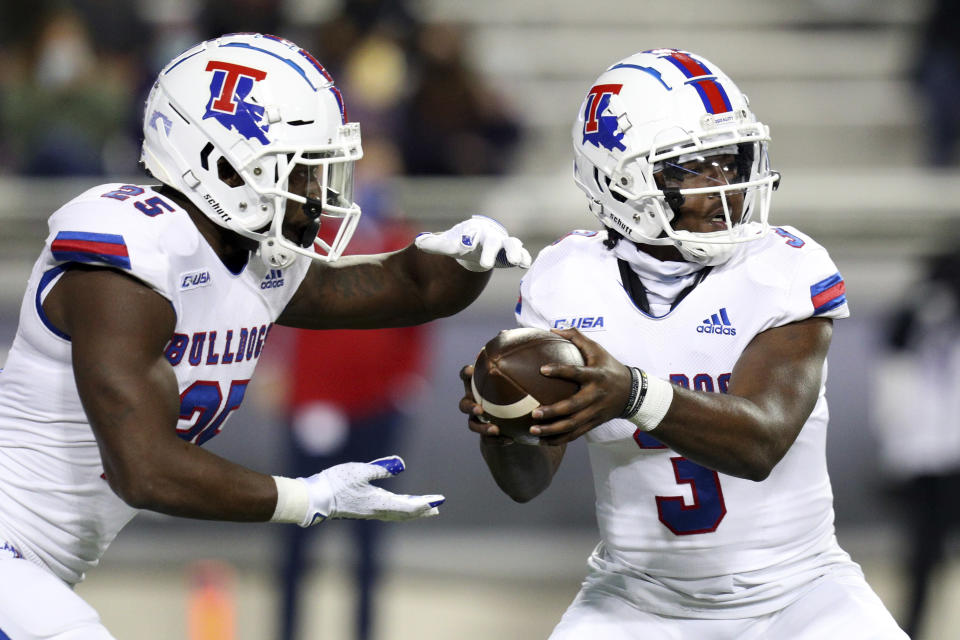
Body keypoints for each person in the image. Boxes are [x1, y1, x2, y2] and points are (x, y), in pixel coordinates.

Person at [0, 33, 531, 639]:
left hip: (35, 563)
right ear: (217, 163)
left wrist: (464, 256)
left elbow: (409, 289)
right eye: (299, 171)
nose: (317, 195)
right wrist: (306, 499)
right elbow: (145, 470)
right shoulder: (125, 252)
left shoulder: (249, 260)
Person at [459, 48, 907, 639]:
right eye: (694, 168)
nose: (726, 184)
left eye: (730, 160)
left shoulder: (781, 267)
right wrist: (504, 424)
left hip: (800, 594)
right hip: (636, 600)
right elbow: (525, 483)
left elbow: (761, 440)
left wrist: (634, 394)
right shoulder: (566, 277)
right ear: (617, 180)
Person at [873, 244, 960, 638]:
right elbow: (894, 388)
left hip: (937, 450)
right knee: (923, 557)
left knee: (923, 557)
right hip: (927, 456)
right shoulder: (914, 319)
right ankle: (913, 628)